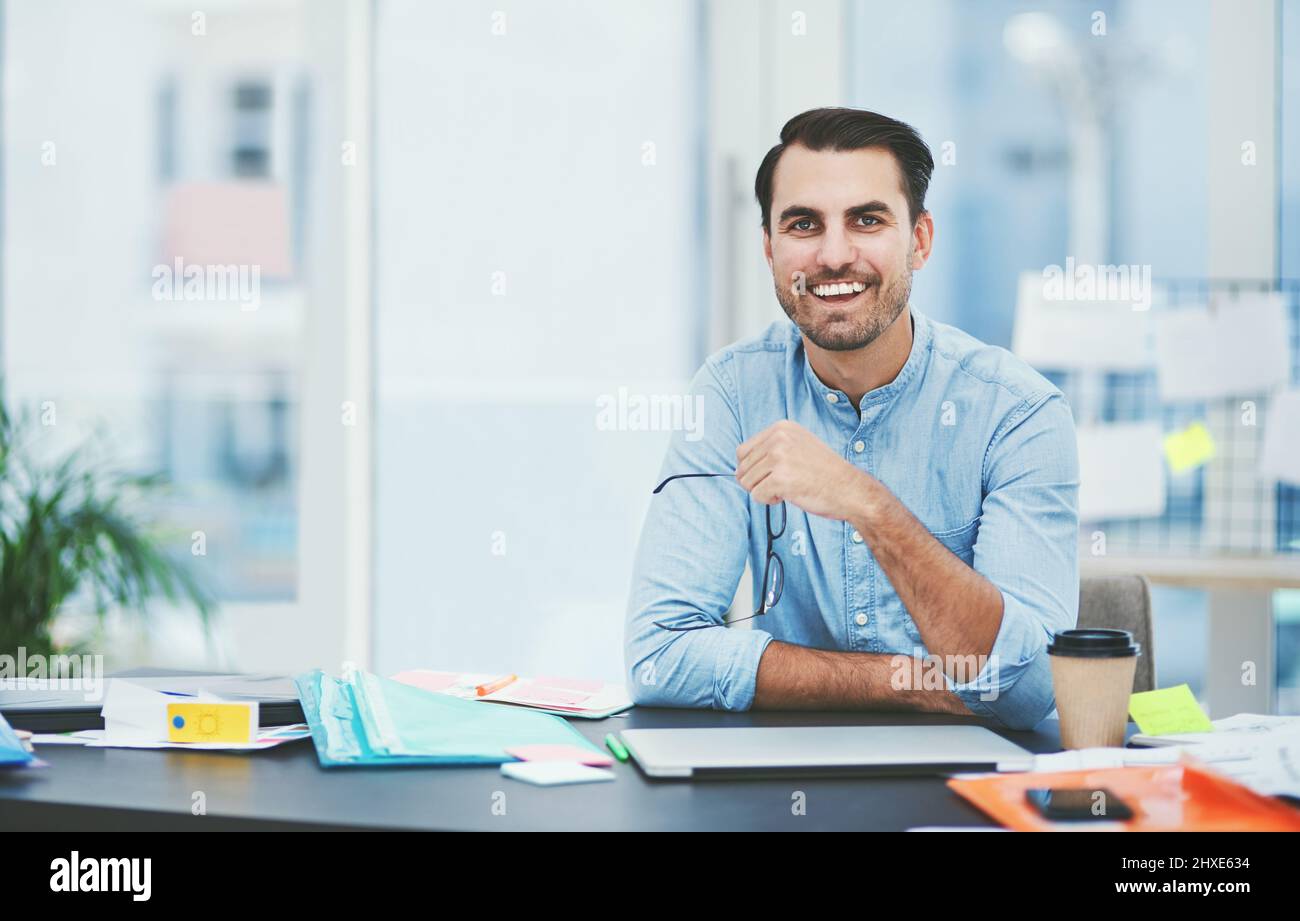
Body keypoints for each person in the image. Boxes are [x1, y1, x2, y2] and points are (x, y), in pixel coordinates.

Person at [624, 107, 1079, 730]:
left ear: (919, 240)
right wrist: (915, 682)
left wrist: (866, 503)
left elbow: (1028, 688)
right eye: (803, 224)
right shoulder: (731, 394)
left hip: (969, 791)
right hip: (784, 781)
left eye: (867, 220)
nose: (834, 255)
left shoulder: (1018, 413)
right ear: (769, 248)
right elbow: (660, 657)